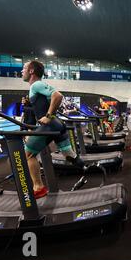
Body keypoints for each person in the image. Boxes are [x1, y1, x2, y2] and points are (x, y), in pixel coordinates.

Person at [22, 61, 84, 199]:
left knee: (28, 155)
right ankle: (88, 170)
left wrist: (48, 116)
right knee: (69, 155)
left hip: (49, 125)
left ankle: (38, 187)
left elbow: (58, 96)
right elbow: (42, 104)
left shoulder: (36, 84)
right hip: (57, 125)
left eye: (24, 68)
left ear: (31, 71)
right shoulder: (35, 87)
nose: (22, 71)